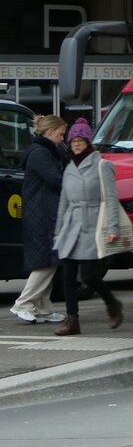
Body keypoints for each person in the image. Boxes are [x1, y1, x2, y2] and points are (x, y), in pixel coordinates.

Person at [51, 118, 123, 336]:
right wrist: (58, 231)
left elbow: (111, 198)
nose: (76, 144)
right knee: (68, 276)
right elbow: (64, 200)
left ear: (88, 142)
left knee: (90, 276)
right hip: (71, 226)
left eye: (81, 140)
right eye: (73, 140)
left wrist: (113, 228)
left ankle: (112, 302)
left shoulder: (102, 165)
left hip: (93, 225)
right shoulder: (69, 167)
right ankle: (72, 320)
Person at [9, 115, 67, 324]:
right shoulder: (40, 154)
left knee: (49, 260)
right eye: (60, 134)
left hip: (42, 213)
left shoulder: (42, 151)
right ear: (50, 132)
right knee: (46, 262)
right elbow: (56, 179)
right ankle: (23, 303)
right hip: (42, 214)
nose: (62, 138)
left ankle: (43, 308)